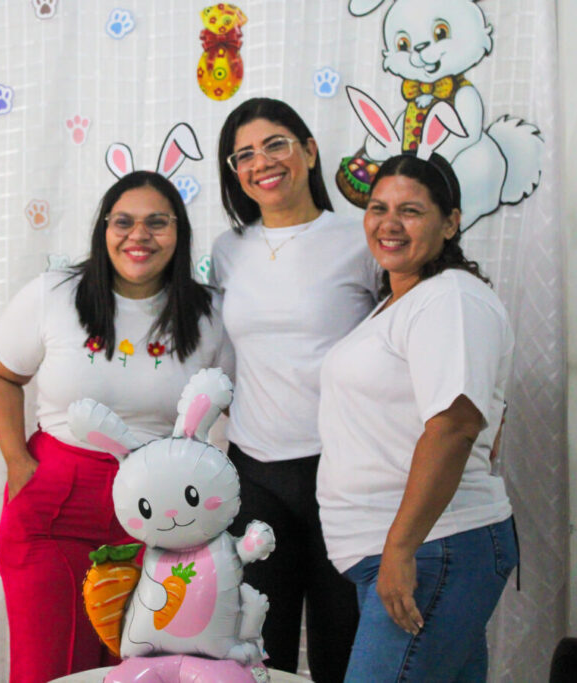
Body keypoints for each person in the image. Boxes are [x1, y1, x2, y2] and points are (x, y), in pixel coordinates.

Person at [0, 170, 232, 683]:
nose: (139, 235)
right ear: (104, 229)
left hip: (161, 516)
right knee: (48, 669)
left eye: (157, 222)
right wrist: (17, 461)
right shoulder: (55, 293)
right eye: (124, 222)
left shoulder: (209, 313)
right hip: (55, 506)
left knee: (142, 670)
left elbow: (229, 405)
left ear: (179, 233)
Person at [316, 152, 518, 682]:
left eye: (410, 210)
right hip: (413, 549)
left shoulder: (451, 297)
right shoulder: (403, 302)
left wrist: (401, 547)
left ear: (450, 223)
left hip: (434, 546)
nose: (389, 223)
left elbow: (455, 426)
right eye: (378, 208)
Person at [210, 97, 379, 681]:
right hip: (254, 473)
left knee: (342, 646)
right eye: (244, 155)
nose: (262, 162)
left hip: (343, 472)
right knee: (260, 649)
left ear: (309, 150)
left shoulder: (360, 238)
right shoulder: (228, 250)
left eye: (275, 144)